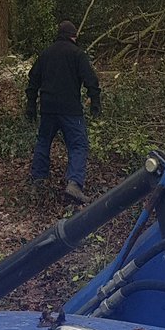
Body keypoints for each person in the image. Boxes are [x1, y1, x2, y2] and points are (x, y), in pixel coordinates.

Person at [25, 20, 101, 204]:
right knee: (78, 145)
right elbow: (91, 80)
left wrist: (31, 106)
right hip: (70, 110)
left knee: (43, 142)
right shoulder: (77, 54)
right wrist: (95, 103)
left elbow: (33, 80)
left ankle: (39, 181)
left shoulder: (46, 54)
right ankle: (74, 184)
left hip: (48, 108)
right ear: (73, 36)